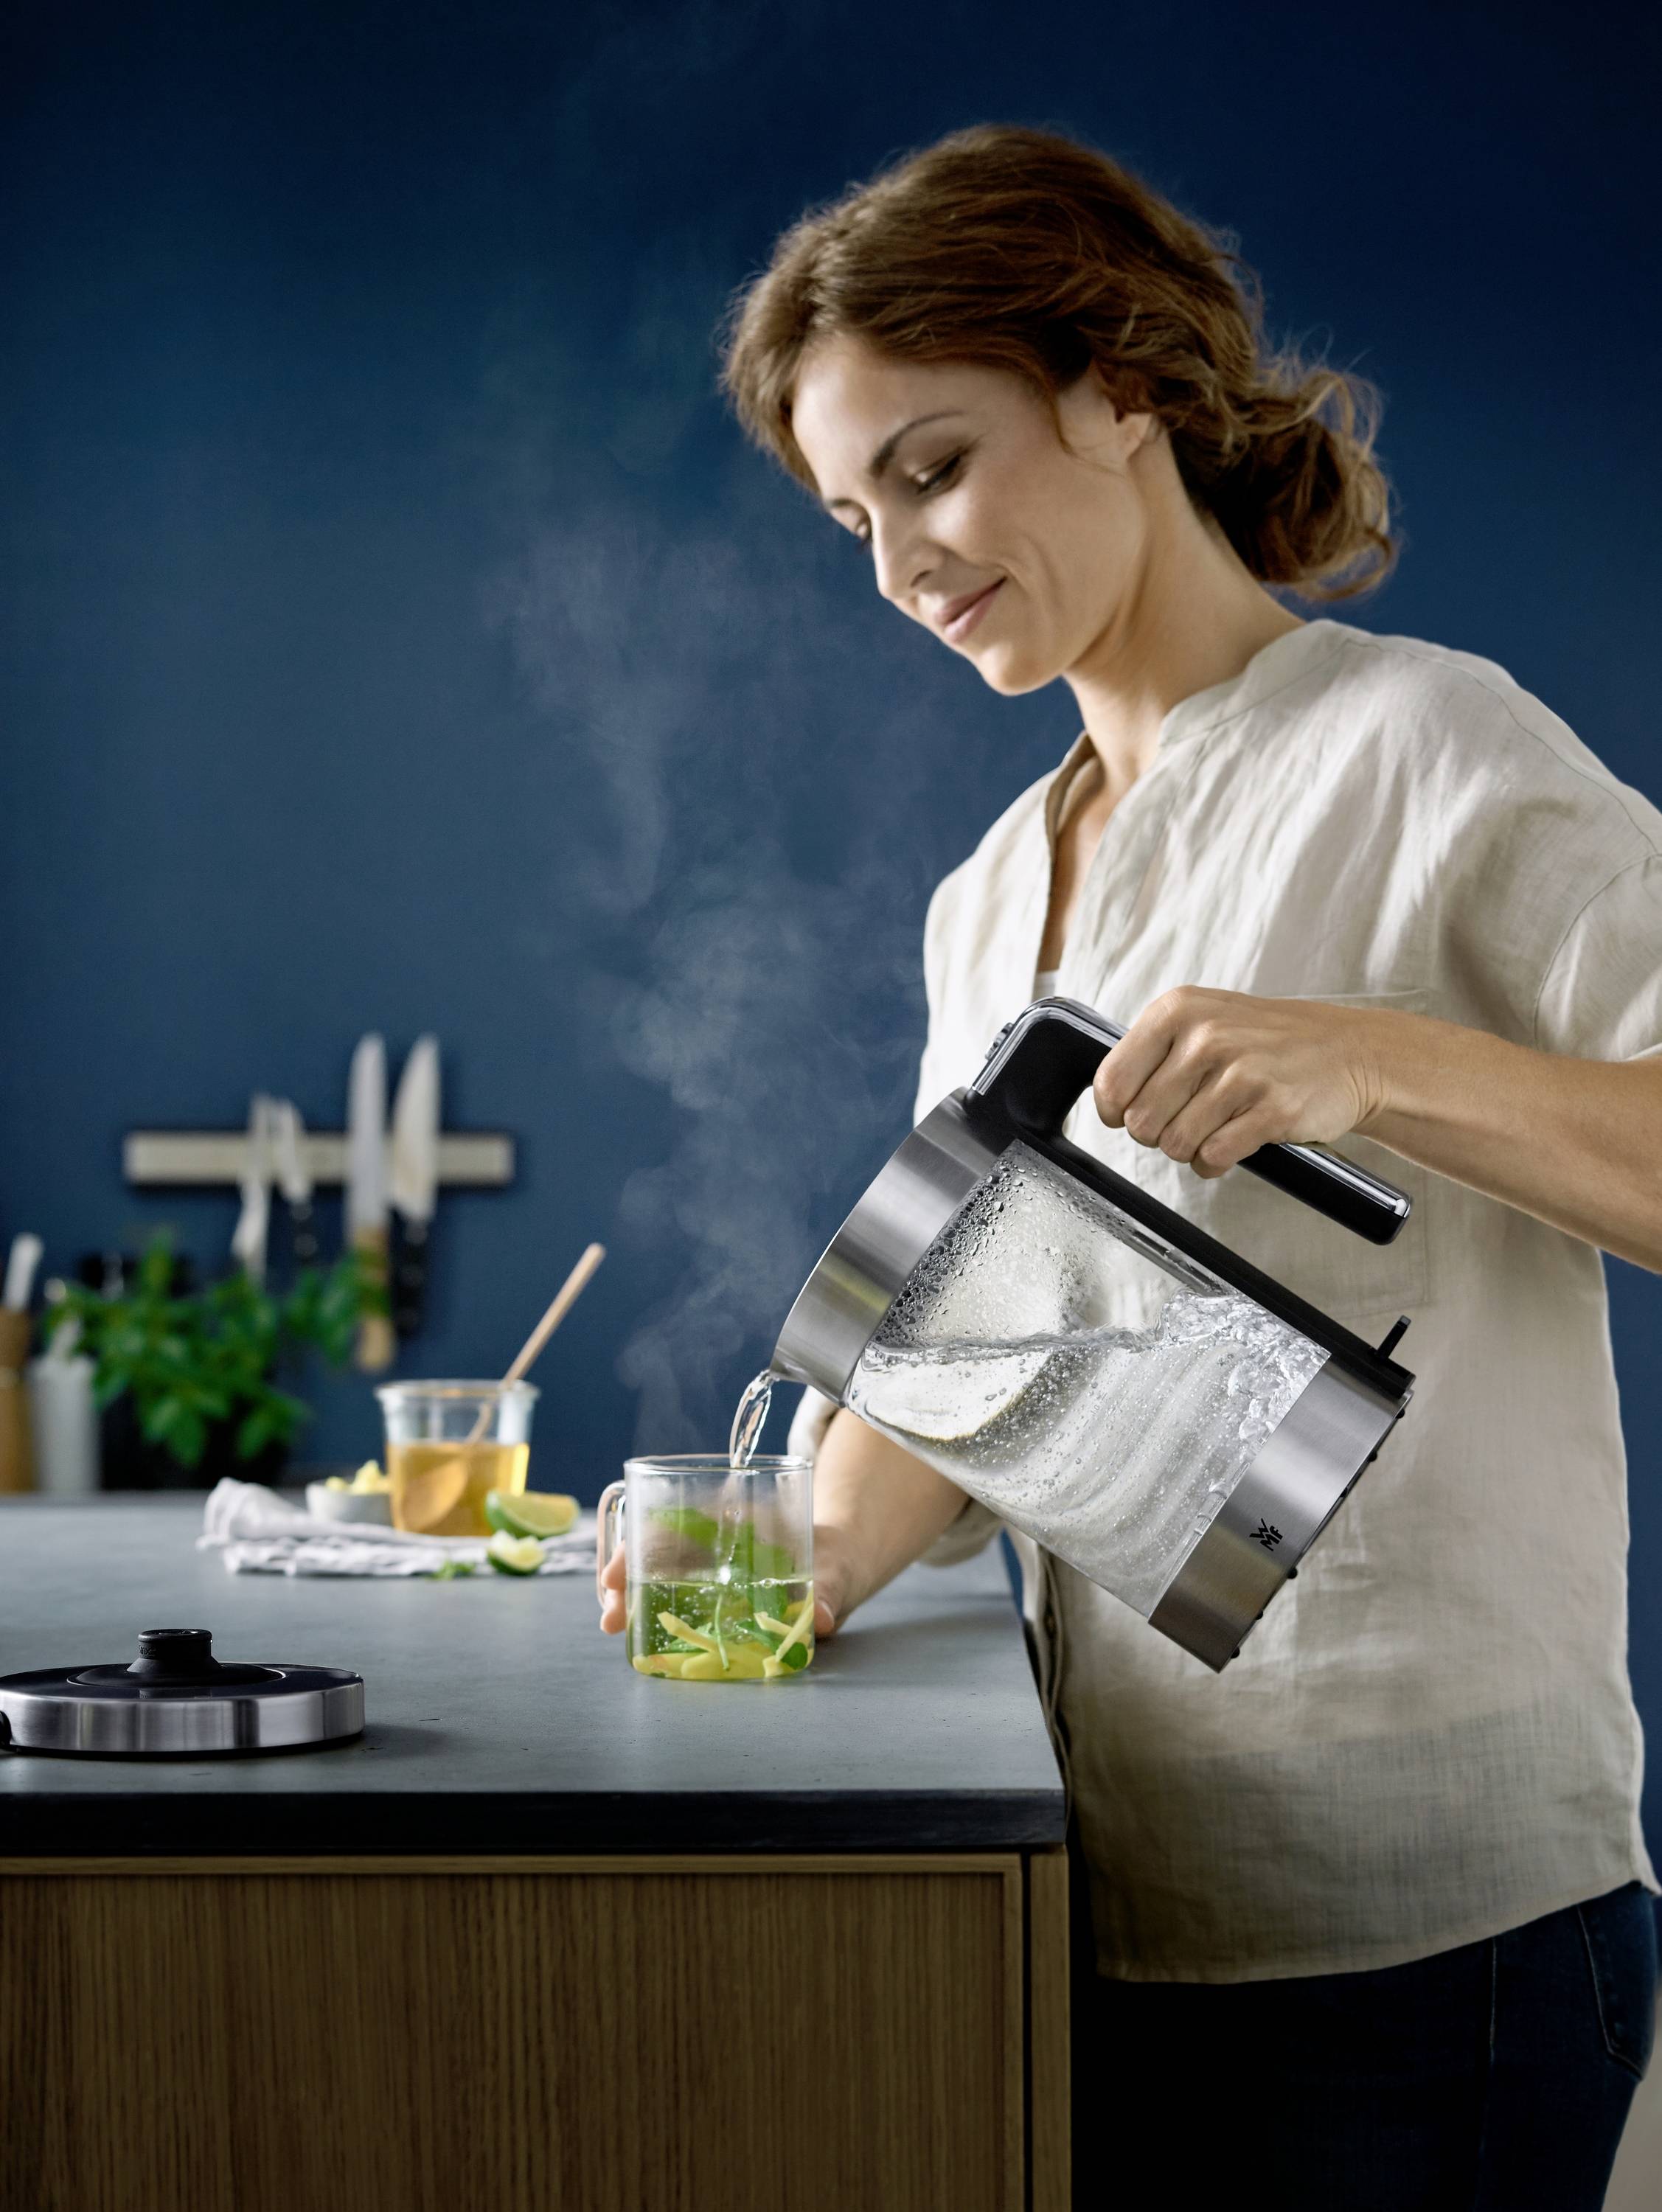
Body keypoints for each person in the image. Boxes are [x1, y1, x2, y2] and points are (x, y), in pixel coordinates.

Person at [599, 124, 1659, 2205]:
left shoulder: (1430, 747)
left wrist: (1372, 1062)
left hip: (1427, 1921)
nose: (898, 561)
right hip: (1105, 1890)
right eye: (848, 515)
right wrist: (812, 1553)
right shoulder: (989, 898)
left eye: (932, 465)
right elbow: (983, 1370)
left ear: (1121, 387)